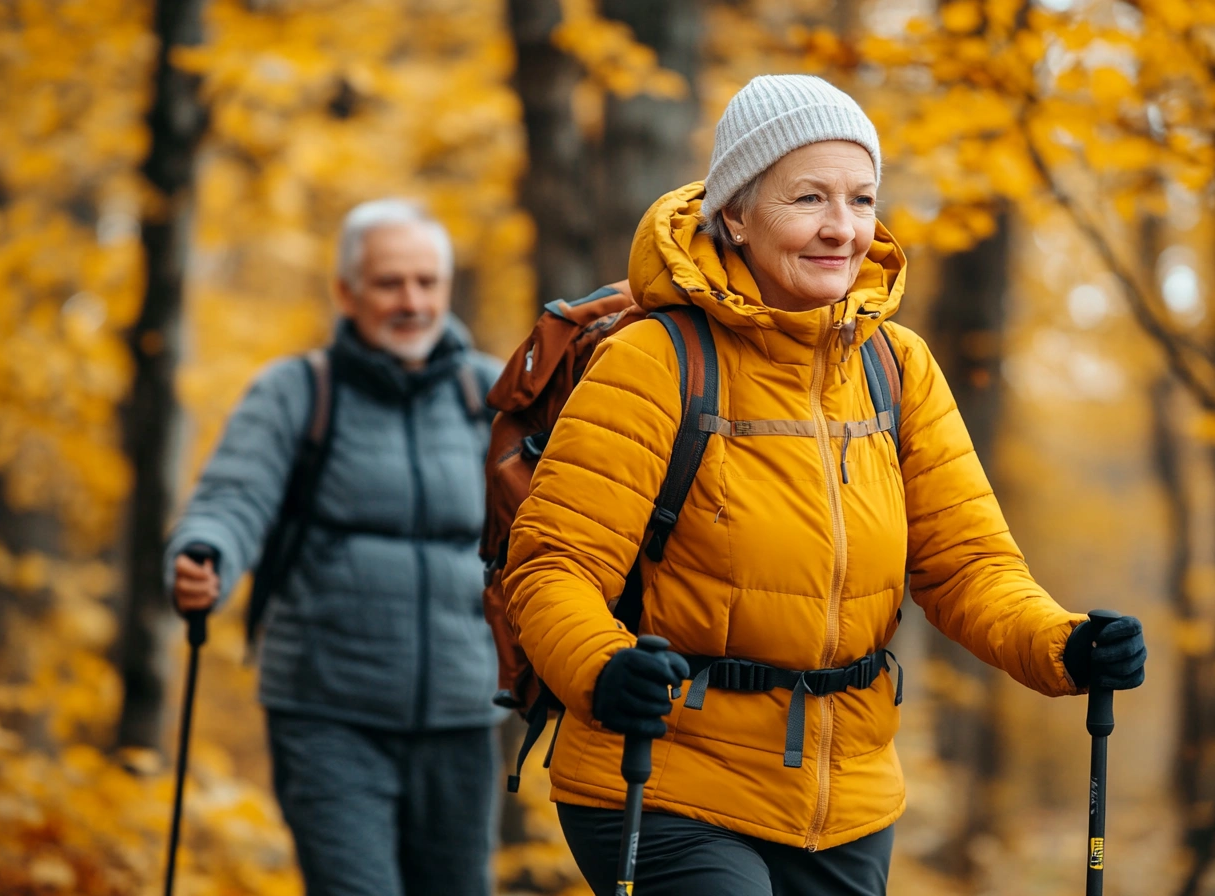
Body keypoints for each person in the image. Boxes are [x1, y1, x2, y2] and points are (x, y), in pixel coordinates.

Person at [501, 75, 1148, 895]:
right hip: (664, 780)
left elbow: (969, 566)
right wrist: (603, 667)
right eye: (808, 198)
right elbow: (552, 567)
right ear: (737, 213)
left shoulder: (897, 367)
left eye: (861, 199)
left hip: (847, 804)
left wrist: (1065, 646)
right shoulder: (656, 359)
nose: (842, 228)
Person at [165, 199, 503, 896]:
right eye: (389, 283)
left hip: (464, 713)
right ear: (346, 292)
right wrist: (206, 553)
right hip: (328, 714)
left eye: (427, 282)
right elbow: (234, 495)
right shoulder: (297, 391)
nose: (412, 302)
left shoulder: (491, 393)